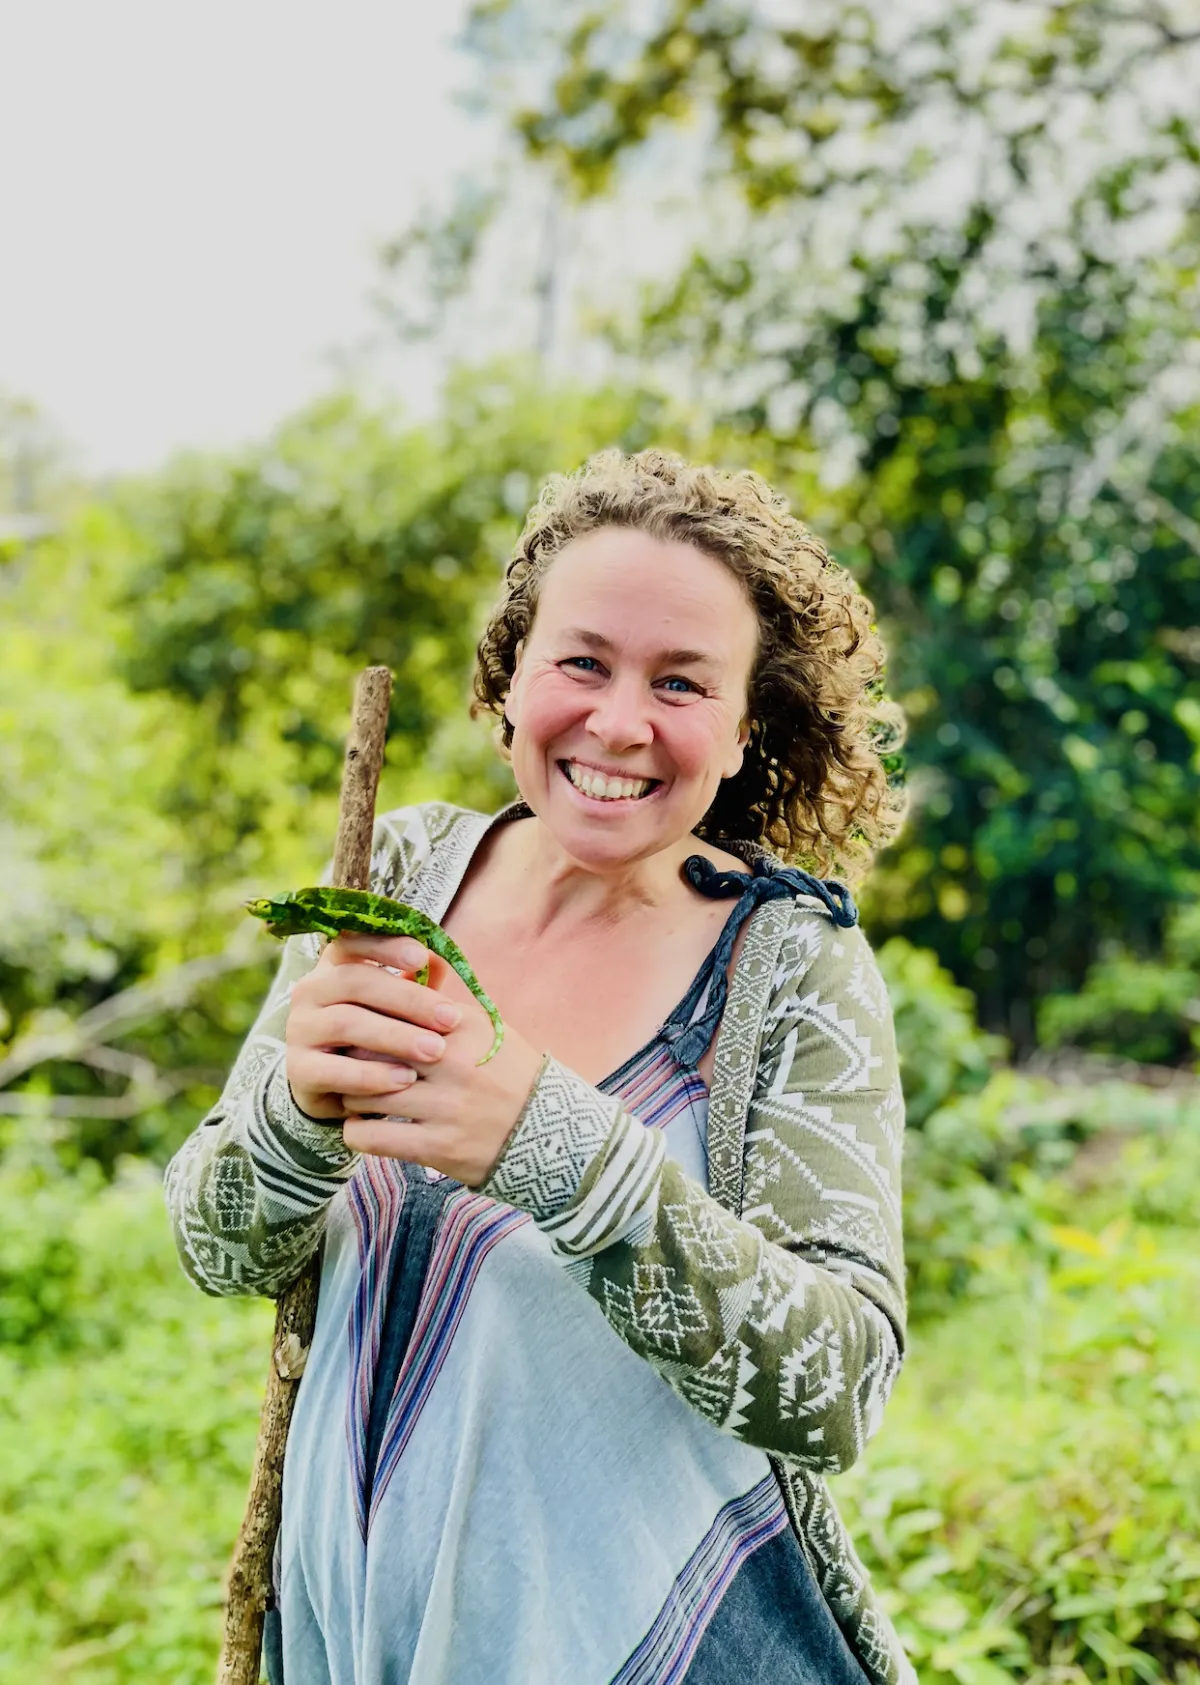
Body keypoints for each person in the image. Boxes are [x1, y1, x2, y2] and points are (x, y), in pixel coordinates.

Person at [165, 449, 913, 1685]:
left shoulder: (790, 966)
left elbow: (840, 1389)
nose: (619, 722)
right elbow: (218, 1246)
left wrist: (561, 1152)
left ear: (744, 729)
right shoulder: (396, 881)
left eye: (682, 681)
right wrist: (294, 1116)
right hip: (356, 1638)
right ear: (511, 676)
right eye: (582, 661)